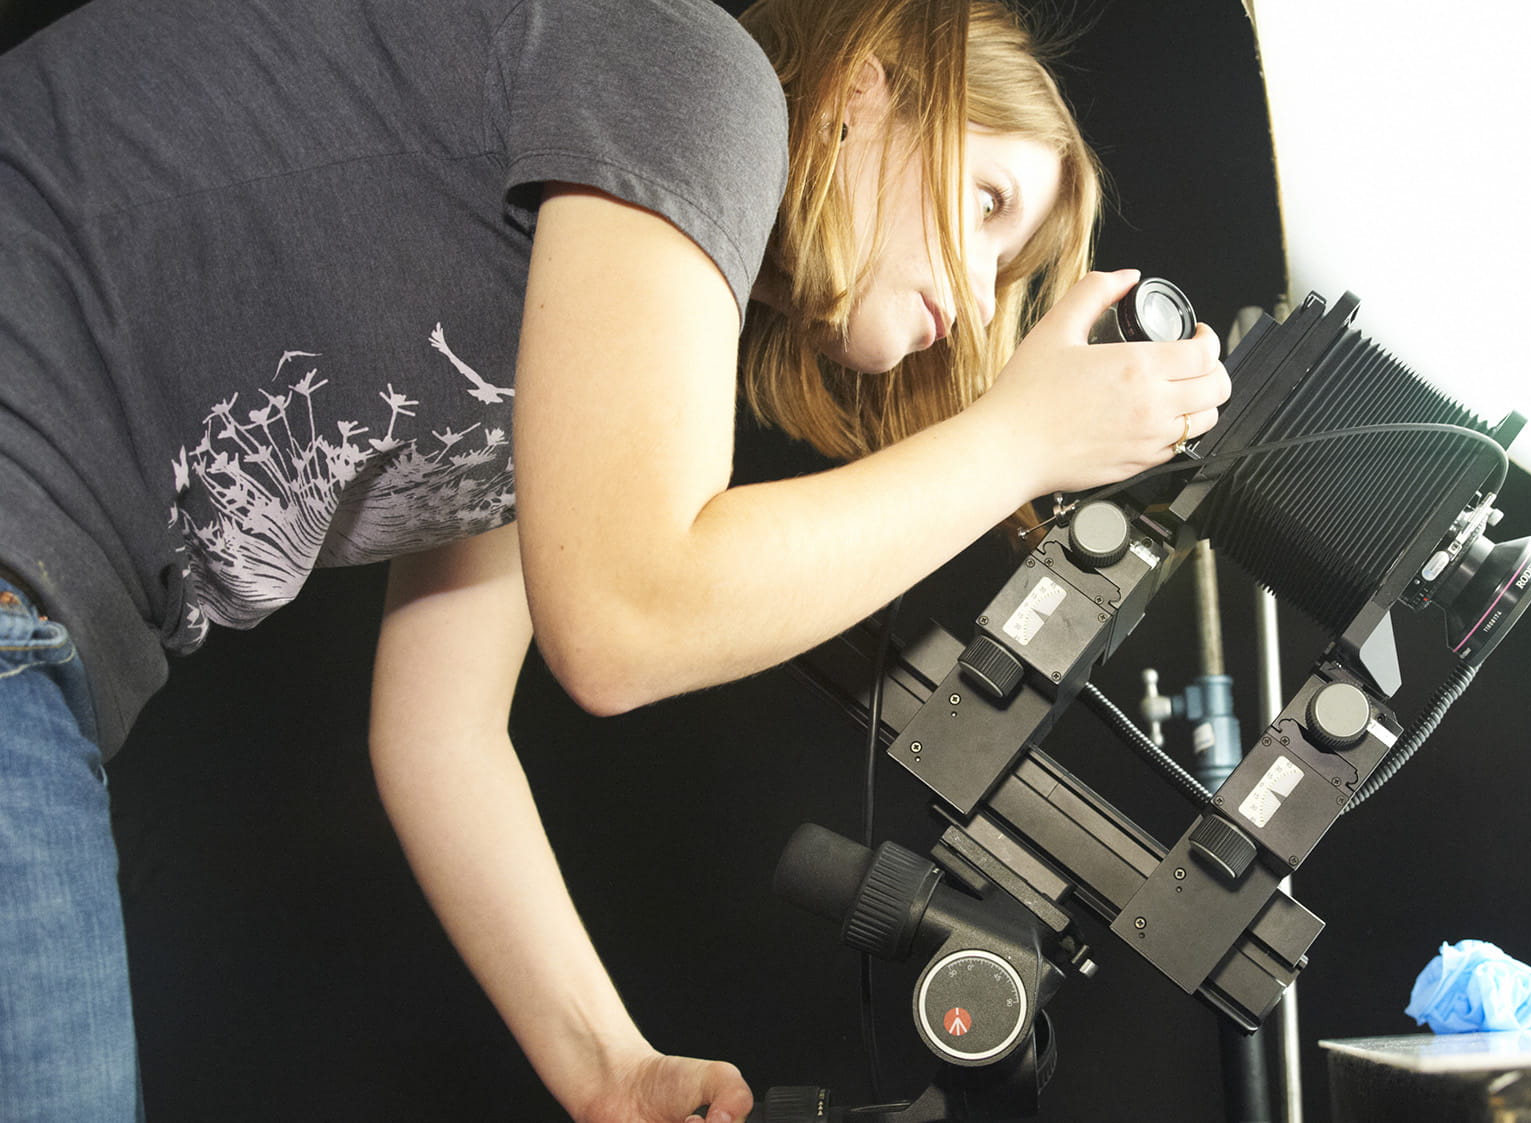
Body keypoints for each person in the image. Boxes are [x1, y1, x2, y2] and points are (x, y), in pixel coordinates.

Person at [0, 0, 1230, 1120]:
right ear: (862, 89)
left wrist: (609, 1070)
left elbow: (440, 733)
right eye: (984, 202)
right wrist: (1015, 443)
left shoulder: (589, 289)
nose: (979, 291)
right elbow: (628, 618)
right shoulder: (697, 71)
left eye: (1014, 269)